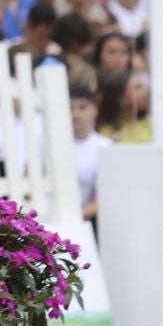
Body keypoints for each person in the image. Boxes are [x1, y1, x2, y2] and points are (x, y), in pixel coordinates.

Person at [67, 82, 110, 221]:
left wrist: (72, 217)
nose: (76, 114)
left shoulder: (105, 146)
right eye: (70, 108)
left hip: (84, 220)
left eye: (82, 107)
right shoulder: (45, 142)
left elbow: (102, 199)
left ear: (94, 110)